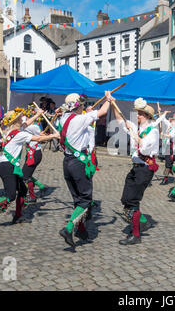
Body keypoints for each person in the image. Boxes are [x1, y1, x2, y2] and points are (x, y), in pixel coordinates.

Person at [0, 108, 59, 227]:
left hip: (8, 166)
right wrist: (54, 135)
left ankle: (18, 215)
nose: (23, 119)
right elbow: (39, 139)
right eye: (20, 118)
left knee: (22, 190)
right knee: (10, 195)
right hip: (8, 167)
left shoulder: (10, 131)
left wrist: (37, 114)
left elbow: (27, 123)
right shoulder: (20, 134)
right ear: (17, 121)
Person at [57, 93, 113, 248]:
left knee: (78, 199)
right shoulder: (80, 119)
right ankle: (68, 229)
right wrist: (108, 99)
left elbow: (84, 117)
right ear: (79, 106)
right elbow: (102, 112)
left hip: (66, 162)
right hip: (78, 163)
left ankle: (81, 231)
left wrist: (86, 113)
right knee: (86, 199)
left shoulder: (63, 119)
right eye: (81, 104)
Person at [111, 98, 160, 245]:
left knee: (133, 201)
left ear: (147, 116)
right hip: (135, 167)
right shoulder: (136, 127)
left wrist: (136, 138)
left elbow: (145, 148)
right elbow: (120, 119)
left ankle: (136, 235)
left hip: (145, 169)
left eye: (140, 114)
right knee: (125, 199)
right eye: (137, 113)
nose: (137, 115)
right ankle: (142, 222)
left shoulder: (153, 131)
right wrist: (112, 102)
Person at [21, 108, 49, 207]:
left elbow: (23, 126)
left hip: (34, 154)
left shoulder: (32, 126)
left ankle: (31, 196)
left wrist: (37, 115)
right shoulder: (34, 126)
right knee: (26, 173)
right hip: (31, 153)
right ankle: (39, 188)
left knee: (25, 176)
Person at [158, 112, 175, 185]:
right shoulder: (170, 125)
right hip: (168, 147)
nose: (172, 122)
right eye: (172, 120)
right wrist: (161, 113)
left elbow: (170, 136)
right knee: (168, 163)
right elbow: (163, 119)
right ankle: (166, 178)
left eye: (174, 121)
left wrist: (163, 135)